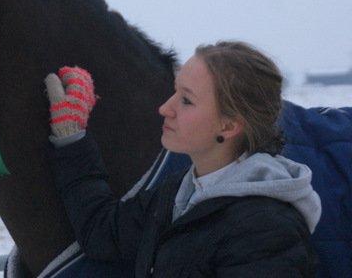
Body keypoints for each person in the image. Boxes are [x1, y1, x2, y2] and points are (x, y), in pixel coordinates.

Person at [45, 41, 321, 277]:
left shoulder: (266, 231)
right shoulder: (179, 195)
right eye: (175, 91)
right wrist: (72, 136)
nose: (165, 108)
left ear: (228, 126)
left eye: (186, 100)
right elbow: (104, 233)